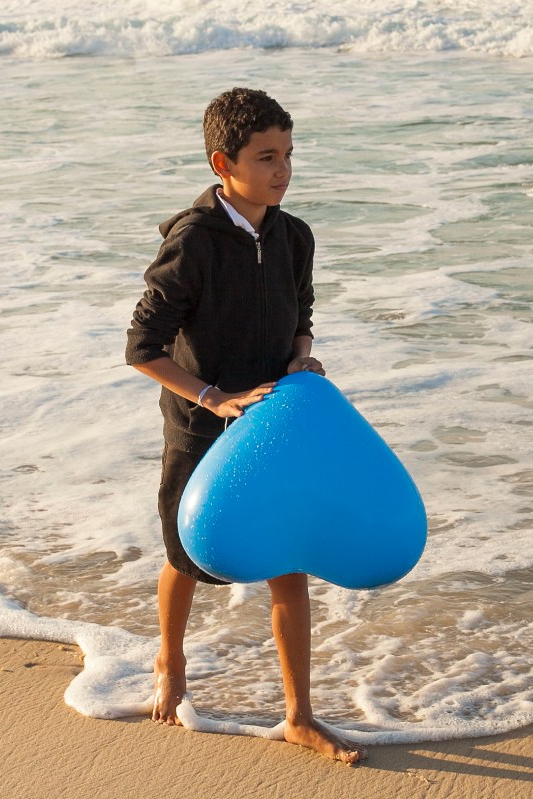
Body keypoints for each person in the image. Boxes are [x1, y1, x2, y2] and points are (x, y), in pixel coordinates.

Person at [125, 87, 365, 765]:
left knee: (289, 563)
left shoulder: (294, 235)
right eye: (266, 157)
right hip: (202, 428)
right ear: (223, 163)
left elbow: (301, 312)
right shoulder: (193, 242)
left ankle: (300, 716)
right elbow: (142, 347)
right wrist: (215, 398)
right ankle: (170, 657)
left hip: (275, 424)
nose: (282, 169)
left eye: (288, 154)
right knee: (187, 556)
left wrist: (301, 357)